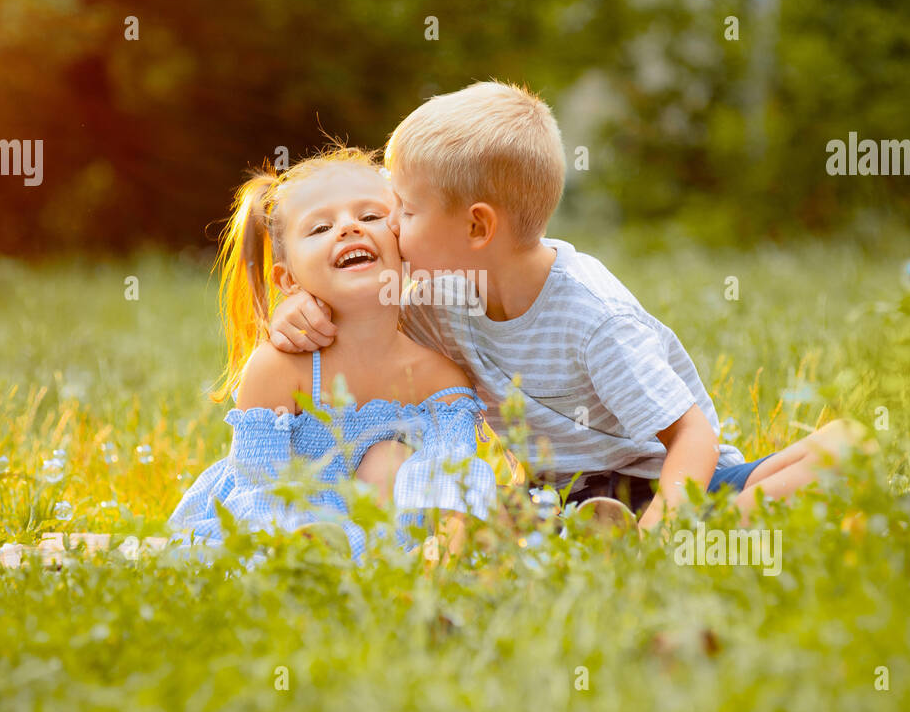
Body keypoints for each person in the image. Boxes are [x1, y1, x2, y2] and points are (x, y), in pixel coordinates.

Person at [268, 82, 863, 533]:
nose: (390, 224)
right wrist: (300, 305)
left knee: (852, 449)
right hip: (555, 496)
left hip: (674, 481)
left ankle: (701, 524)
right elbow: (356, 317)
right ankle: (587, 535)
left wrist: (665, 529)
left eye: (406, 210)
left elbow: (693, 437)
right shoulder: (433, 292)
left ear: (476, 226)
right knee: (482, 520)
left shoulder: (593, 315)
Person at [168, 148, 497, 560]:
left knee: (390, 458)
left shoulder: (439, 380)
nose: (348, 228)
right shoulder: (280, 367)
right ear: (287, 279)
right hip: (283, 533)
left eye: (372, 217)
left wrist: (454, 542)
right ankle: (324, 561)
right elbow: (257, 489)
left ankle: (376, 561)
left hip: (392, 541)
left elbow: (455, 482)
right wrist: (296, 544)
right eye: (321, 227)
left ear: (406, 246)